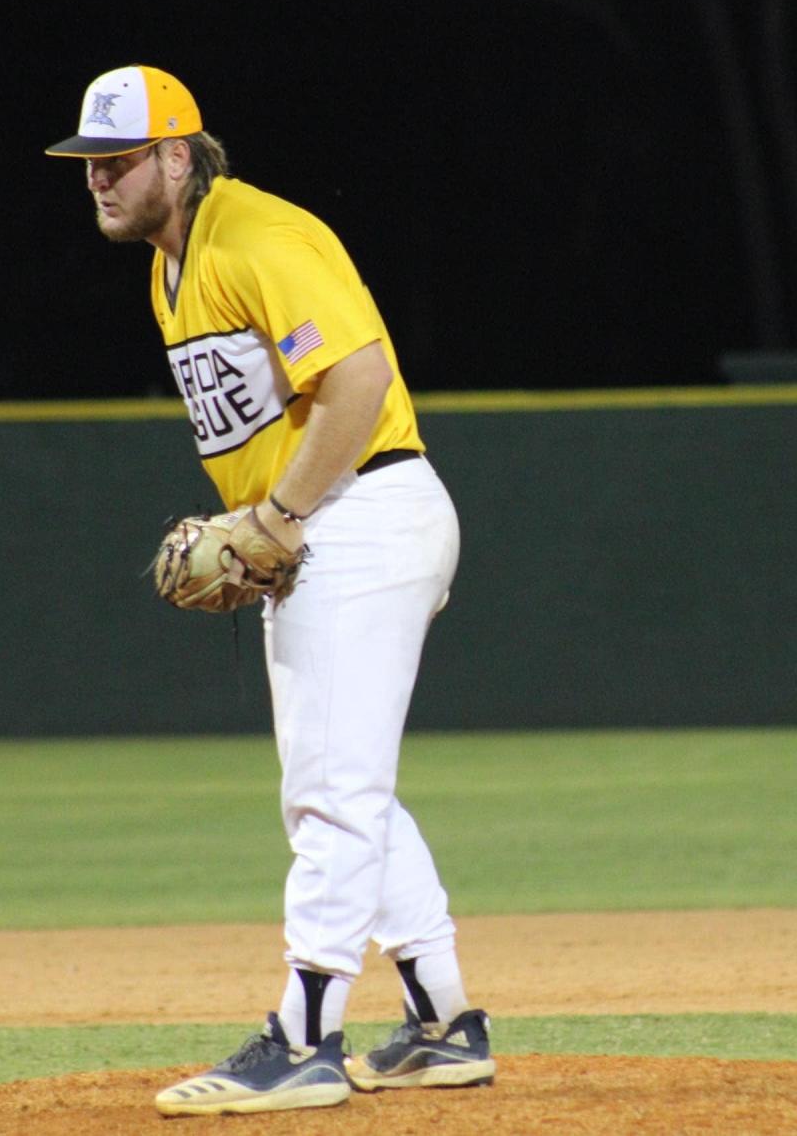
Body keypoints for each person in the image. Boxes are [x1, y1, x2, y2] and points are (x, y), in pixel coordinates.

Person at [45, 65, 494, 1116]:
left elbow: (359, 379)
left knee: (330, 797)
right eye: (87, 164)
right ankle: (442, 1022)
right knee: (343, 780)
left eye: (119, 159)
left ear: (179, 155)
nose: (100, 180)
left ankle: (304, 1037)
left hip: (365, 513)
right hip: (324, 525)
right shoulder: (170, 269)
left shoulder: (257, 236)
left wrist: (277, 517)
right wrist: (263, 522)